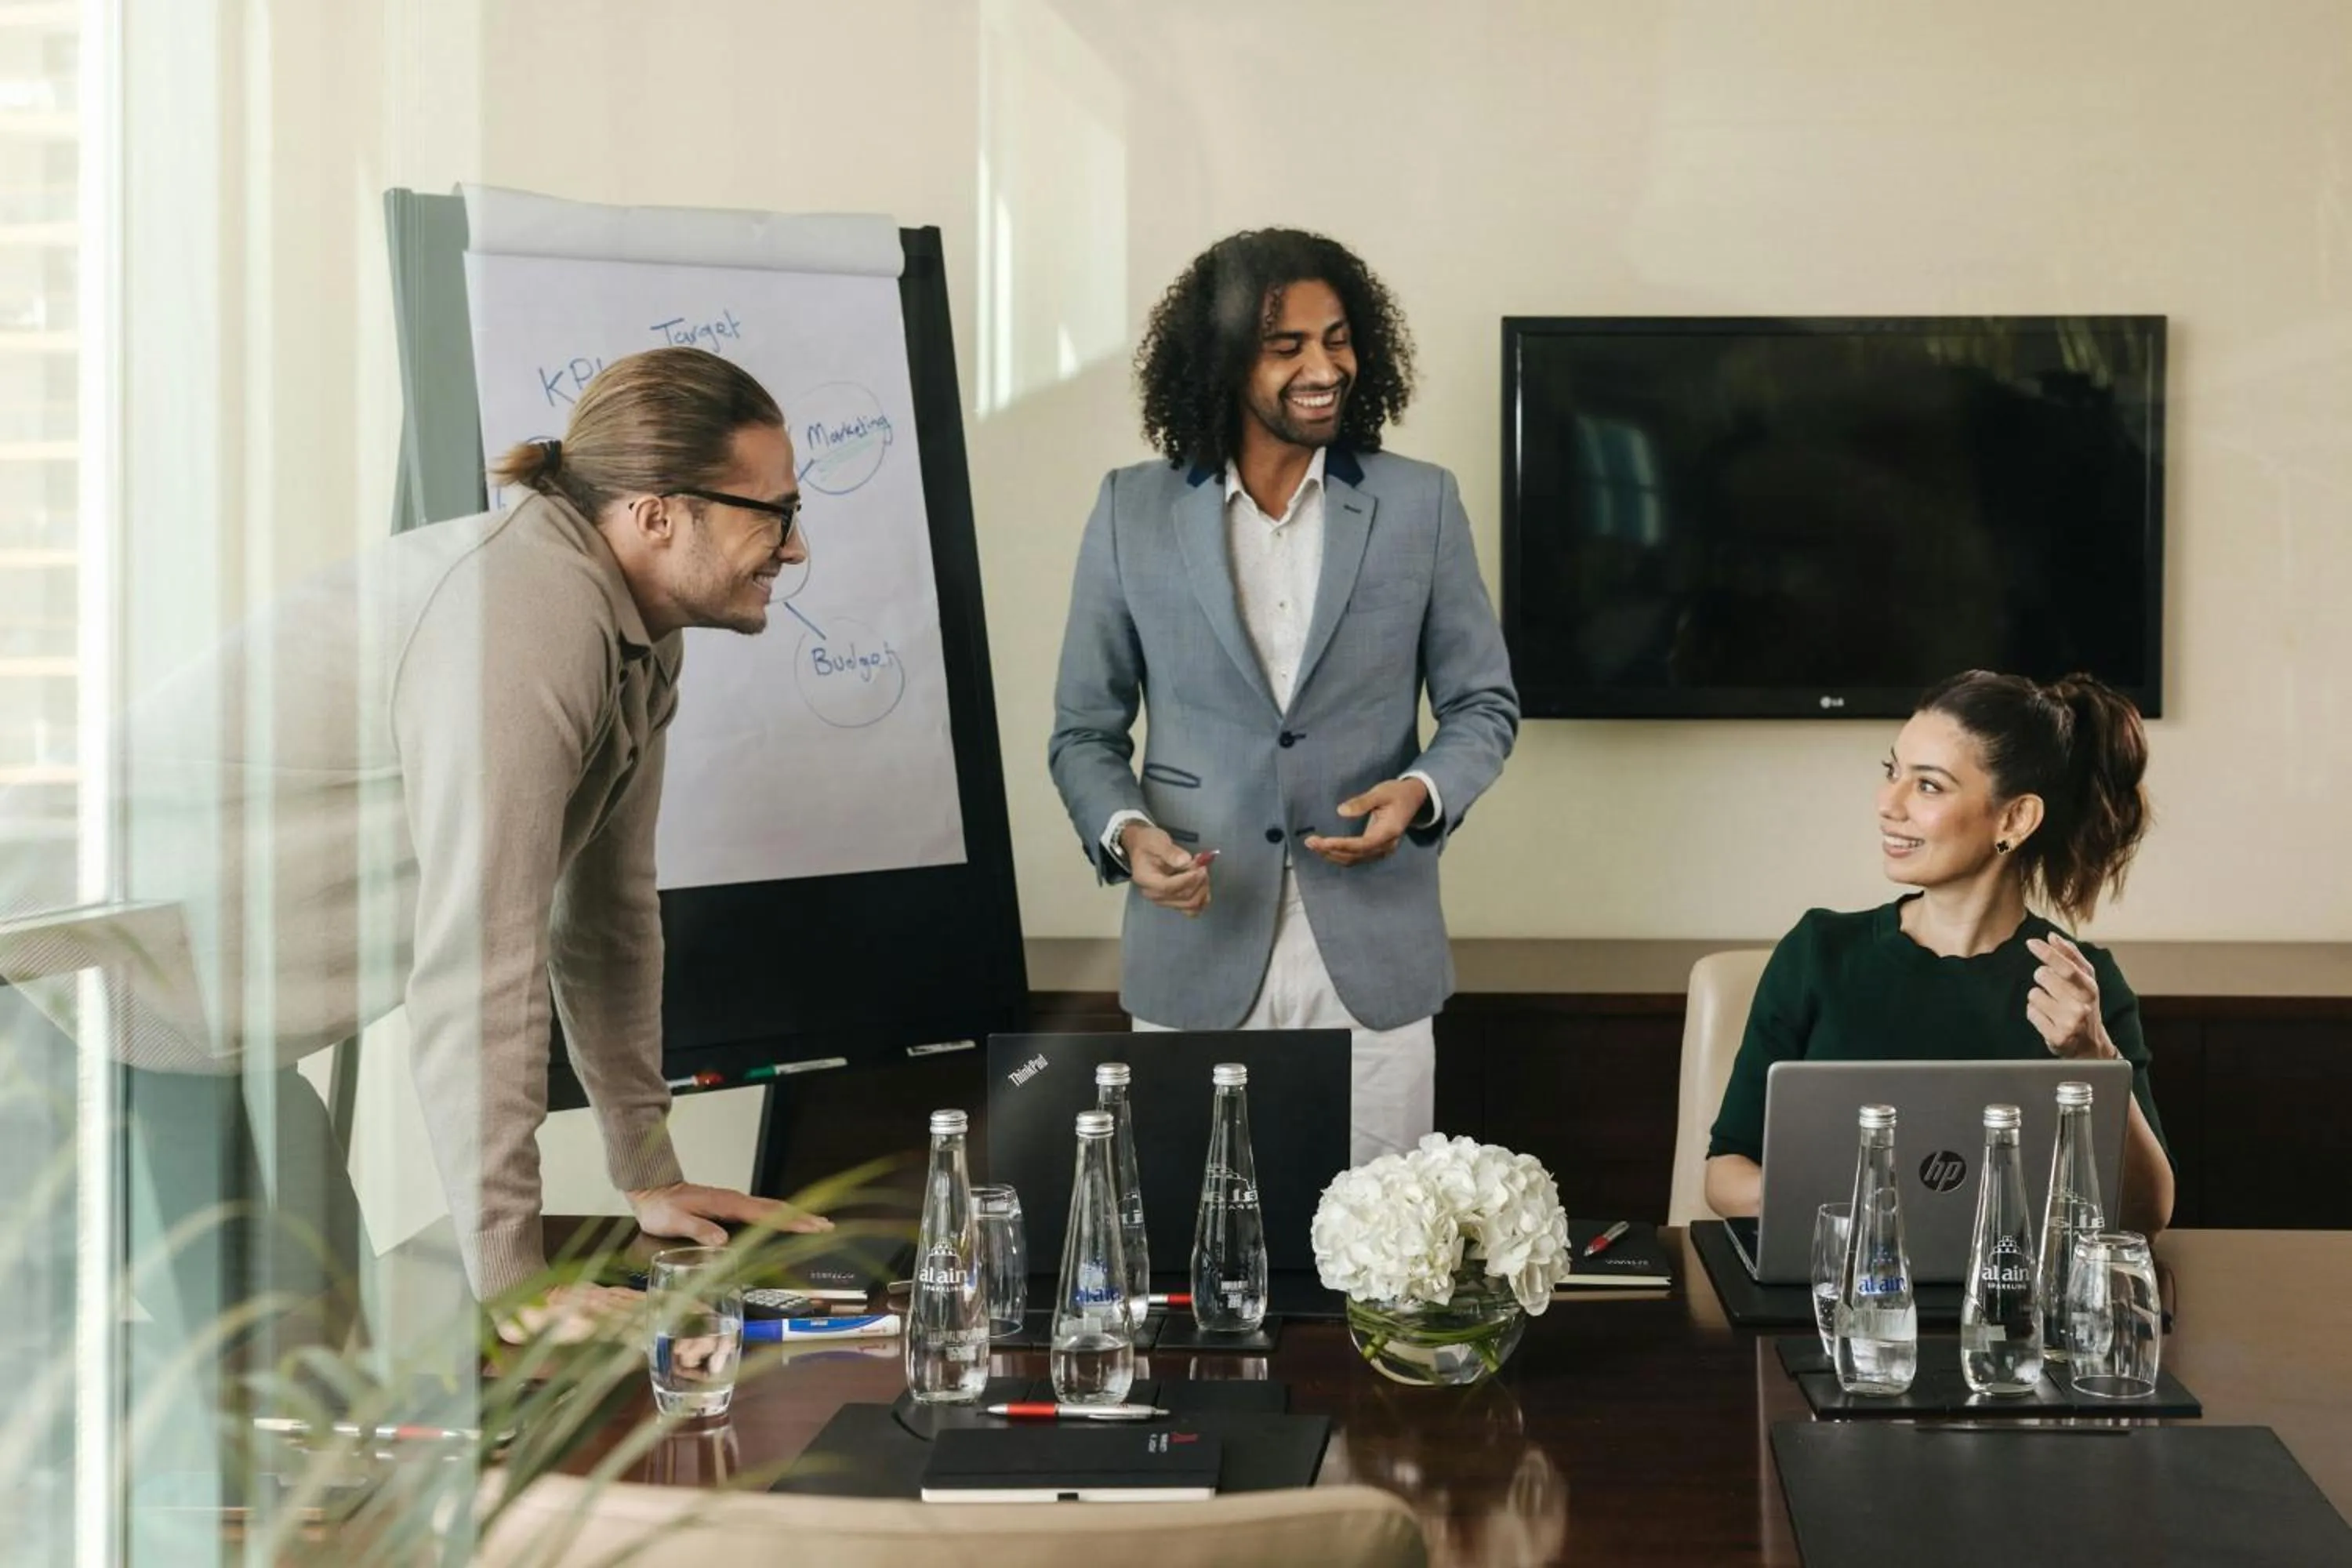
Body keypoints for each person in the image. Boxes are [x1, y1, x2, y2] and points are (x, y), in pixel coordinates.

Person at [6, 346, 831, 1347]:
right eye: (773, 512)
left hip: (194, 1031)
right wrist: (514, 1278)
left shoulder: (641, 637)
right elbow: (481, 962)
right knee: (198, 1422)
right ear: (658, 513)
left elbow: (606, 920)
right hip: (59, 1005)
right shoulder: (525, 616)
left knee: (315, 1394)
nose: (793, 549)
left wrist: (647, 1170)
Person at [1048, 229, 1519, 1164]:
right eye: (1288, 345)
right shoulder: (1128, 509)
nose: (1324, 366)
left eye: (1338, 339)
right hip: (1196, 938)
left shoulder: (1420, 504)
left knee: (1386, 1261)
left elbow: (1483, 704)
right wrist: (1129, 833)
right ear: (1223, 358)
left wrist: (1421, 791)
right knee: (1192, 1256)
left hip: (1375, 950)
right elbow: (1083, 731)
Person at [1702, 670, 2176, 1236]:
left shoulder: (2079, 985)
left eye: (1928, 785)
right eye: (1892, 772)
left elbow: (2148, 1215)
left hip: (2013, 1310)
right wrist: (1850, 1209)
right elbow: (1724, 1174)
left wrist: (2095, 1059)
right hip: (1833, 1297)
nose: (1887, 803)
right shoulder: (1819, 953)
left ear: (2014, 819)